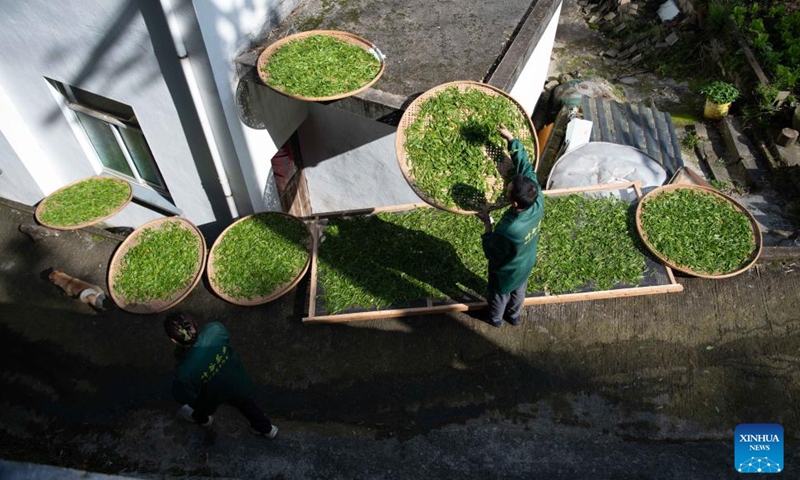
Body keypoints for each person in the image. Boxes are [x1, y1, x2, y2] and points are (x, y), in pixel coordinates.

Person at [164, 312, 278, 439]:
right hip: (234, 380)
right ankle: (266, 429)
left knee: (201, 408)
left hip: (209, 394)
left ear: (173, 340)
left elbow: (181, 395)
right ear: (194, 324)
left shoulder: (184, 373)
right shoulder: (215, 330)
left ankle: (204, 420)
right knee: (246, 405)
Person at [477, 125, 545, 328]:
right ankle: (515, 316)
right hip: (526, 262)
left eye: (508, 190)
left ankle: (496, 319)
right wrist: (511, 138)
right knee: (520, 290)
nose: (506, 188)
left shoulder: (509, 228)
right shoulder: (536, 196)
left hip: (506, 270)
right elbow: (525, 166)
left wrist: (487, 223)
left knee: (499, 294)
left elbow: (491, 251)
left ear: (514, 203)